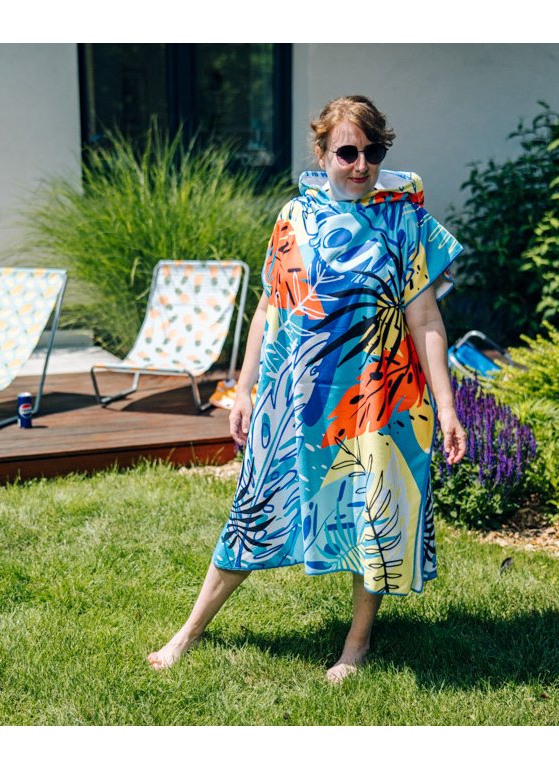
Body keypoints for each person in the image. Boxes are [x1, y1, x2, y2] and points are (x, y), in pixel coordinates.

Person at [148, 95, 466, 683]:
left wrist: (447, 407)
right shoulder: (292, 217)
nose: (361, 165)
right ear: (321, 153)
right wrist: (244, 390)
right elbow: (269, 305)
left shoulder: (406, 221)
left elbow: (425, 320)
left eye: (373, 152)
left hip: (375, 402)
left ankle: (356, 644)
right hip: (291, 400)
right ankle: (187, 632)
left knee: (371, 516)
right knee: (253, 510)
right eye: (347, 152)